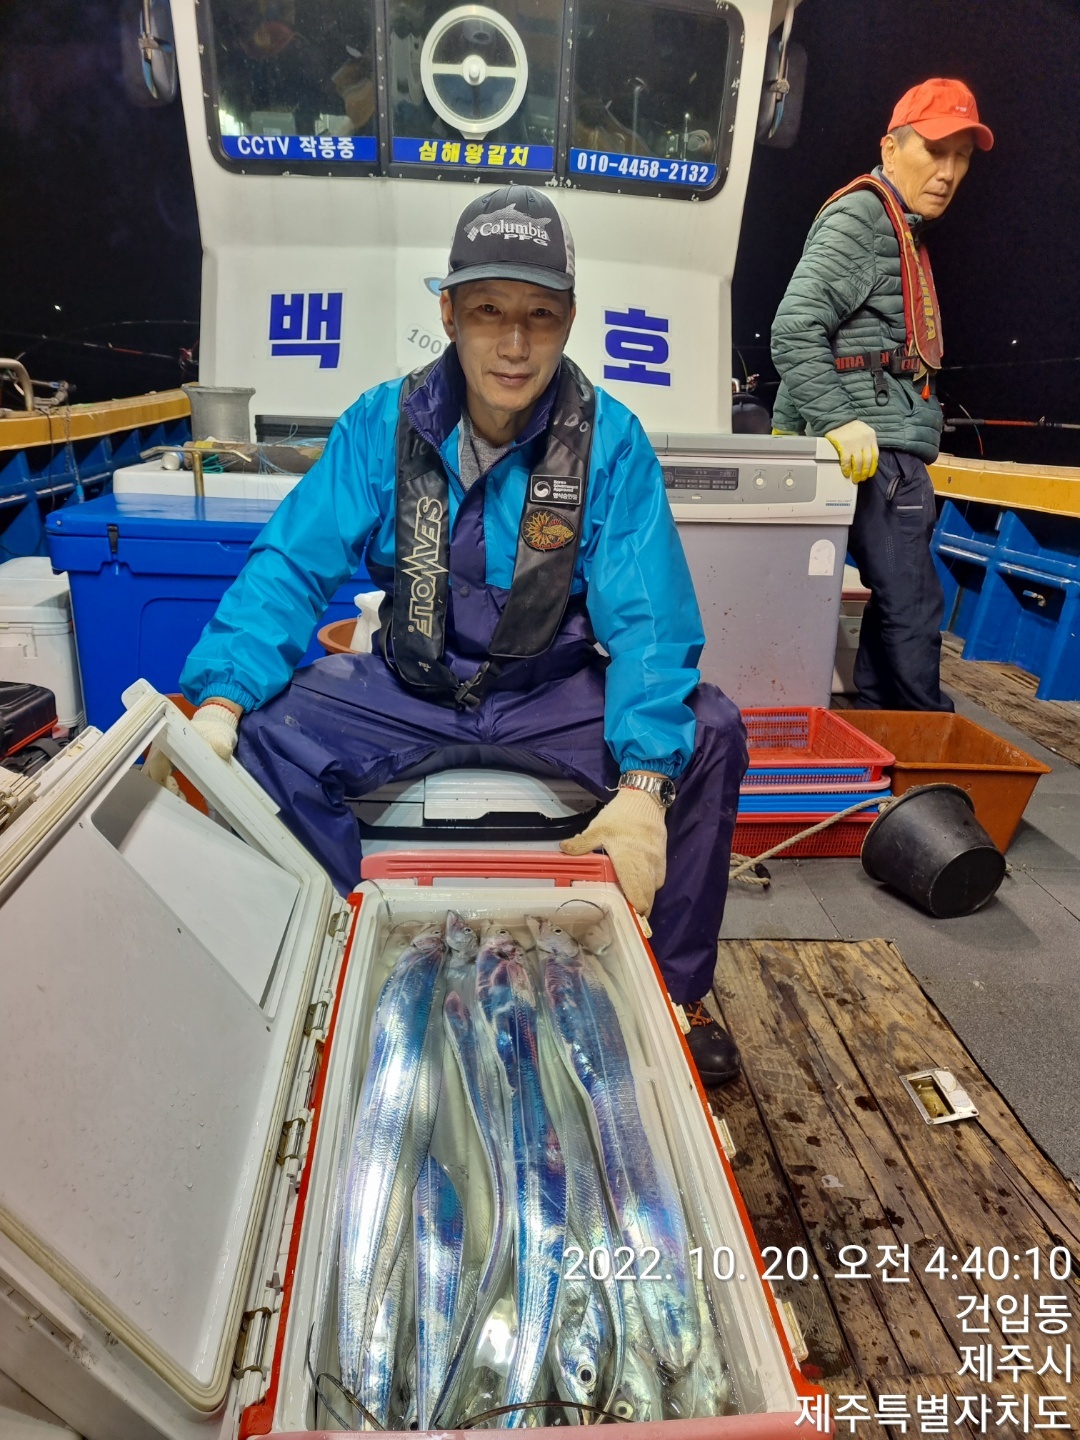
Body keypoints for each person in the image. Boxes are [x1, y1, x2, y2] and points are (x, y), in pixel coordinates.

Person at [175, 185, 748, 1086]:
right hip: (408, 689)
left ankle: (674, 993)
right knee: (260, 734)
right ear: (448, 313)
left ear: (569, 320)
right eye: (488, 311)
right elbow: (292, 564)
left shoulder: (610, 441)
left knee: (709, 730)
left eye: (539, 315)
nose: (514, 344)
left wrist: (643, 784)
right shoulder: (383, 422)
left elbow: (651, 618)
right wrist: (220, 696)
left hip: (548, 692)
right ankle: (332, 963)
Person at [771, 79, 994, 710]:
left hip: (885, 445)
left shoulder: (901, 226)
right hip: (876, 453)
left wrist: (797, 423)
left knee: (897, 601)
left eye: (962, 158)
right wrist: (838, 421)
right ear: (891, 149)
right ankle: (929, 734)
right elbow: (795, 327)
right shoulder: (867, 218)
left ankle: (877, 724)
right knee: (913, 606)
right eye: (935, 150)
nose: (948, 172)